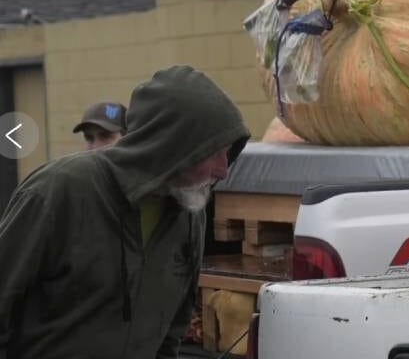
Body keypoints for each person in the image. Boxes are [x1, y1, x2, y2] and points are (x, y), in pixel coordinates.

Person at [0, 65, 250, 358]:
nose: (223, 170)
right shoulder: (59, 191)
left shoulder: (190, 212)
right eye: (213, 152)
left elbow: (170, 335)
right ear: (173, 145)